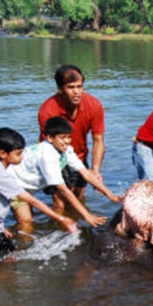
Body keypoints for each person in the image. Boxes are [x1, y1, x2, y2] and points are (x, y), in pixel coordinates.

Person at [0, 127, 79, 260]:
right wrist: (62, 219)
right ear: (3, 154)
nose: (22, 157)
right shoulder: (2, 176)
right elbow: (32, 200)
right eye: (18, 153)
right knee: (10, 258)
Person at [10, 116, 120, 233]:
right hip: (14, 183)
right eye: (62, 138)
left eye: (69, 137)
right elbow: (63, 189)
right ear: (50, 138)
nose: (67, 141)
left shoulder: (66, 150)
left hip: (28, 184)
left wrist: (110, 195)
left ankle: (46, 234)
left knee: (30, 220)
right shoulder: (47, 155)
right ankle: (24, 248)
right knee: (26, 222)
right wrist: (87, 215)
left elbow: (86, 174)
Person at [37, 64, 106, 204]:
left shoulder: (94, 105)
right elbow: (50, 148)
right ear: (60, 89)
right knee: (60, 202)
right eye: (71, 87)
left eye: (79, 86)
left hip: (80, 156)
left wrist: (95, 170)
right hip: (56, 158)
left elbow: (98, 140)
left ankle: (77, 223)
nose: (76, 92)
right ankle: (59, 224)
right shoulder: (48, 111)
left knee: (78, 199)